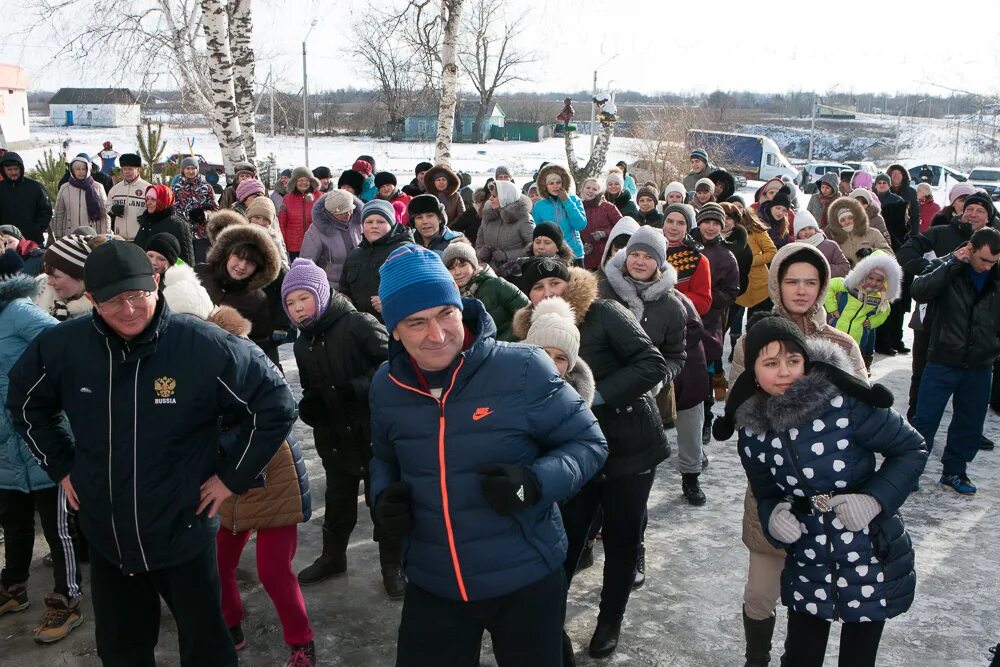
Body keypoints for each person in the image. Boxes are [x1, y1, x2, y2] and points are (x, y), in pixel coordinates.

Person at [6, 240, 296, 666]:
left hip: (183, 528)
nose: (127, 310)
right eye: (111, 301)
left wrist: (232, 476)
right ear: (90, 298)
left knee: (207, 647)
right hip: (106, 533)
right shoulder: (65, 347)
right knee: (121, 650)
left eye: (137, 295)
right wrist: (63, 466)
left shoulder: (202, 345)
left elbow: (274, 405)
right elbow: (26, 406)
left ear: (156, 284)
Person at [368, 245, 608, 666]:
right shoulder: (387, 387)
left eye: (446, 313)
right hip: (433, 577)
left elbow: (589, 444)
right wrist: (383, 497)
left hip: (526, 575)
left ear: (461, 307)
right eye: (416, 322)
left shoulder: (523, 368)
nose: (438, 334)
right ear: (394, 330)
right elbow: (384, 457)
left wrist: (533, 484)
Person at [715, 315, 925, 667]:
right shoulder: (752, 433)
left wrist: (873, 500)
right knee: (800, 657)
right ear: (753, 371)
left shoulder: (845, 404)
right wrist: (775, 516)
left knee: (857, 660)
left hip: (868, 552)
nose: (784, 371)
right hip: (809, 559)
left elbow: (911, 448)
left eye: (793, 360)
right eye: (771, 363)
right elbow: (766, 492)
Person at [509, 255, 666, 659]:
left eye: (554, 285)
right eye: (538, 289)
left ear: (568, 283)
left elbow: (652, 364)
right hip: (572, 455)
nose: (548, 294)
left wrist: (591, 396)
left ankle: (610, 618)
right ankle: (548, 619)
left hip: (628, 445)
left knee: (622, 536)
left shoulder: (605, 313)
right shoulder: (529, 332)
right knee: (566, 537)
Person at [728, 242, 866, 666]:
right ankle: (757, 657)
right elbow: (742, 412)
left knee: (817, 601)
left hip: (828, 496)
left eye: (811, 281)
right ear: (777, 284)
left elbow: (862, 415)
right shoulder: (752, 341)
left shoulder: (841, 344)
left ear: (823, 285)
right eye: (792, 281)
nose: (801, 290)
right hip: (773, 491)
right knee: (761, 594)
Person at [0, 271, 83, 644]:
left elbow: (67, 344)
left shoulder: (16, 311)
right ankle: (13, 587)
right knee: (14, 523)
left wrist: (49, 399)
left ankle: (67, 598)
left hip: (37, 438)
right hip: (4, 449)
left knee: (58, 528)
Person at [910, 227, 1000, 495]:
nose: (987, 267)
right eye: (983, 260)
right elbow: (919, 290)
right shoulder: (945, 265)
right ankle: (910, 470)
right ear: (970, 249)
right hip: (942, 359)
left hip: (980, 364)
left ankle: (955, 471)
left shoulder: (996, 275)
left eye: (994, 262)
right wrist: (951, 264)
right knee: (924, 420)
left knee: (970, 422)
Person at [896, 190, 998, 426]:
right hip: (931, 319)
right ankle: (915, 422)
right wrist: (929, 269)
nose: (973, 214)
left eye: (980, 211)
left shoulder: (995, 244)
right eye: (969, 208)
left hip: (971, 331)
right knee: (922, 374)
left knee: (969, 394)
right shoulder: (942, 232)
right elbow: (907, 251)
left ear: (988, 218)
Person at [826, 251, 903, 371]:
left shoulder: (881, 297)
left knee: (852, 364)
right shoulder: (851, 285)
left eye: (879, 280)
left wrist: (872, 322)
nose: (873, 283)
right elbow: (830, 285)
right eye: (870, 278)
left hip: (859, 335)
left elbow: (884, 312)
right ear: (863, 274)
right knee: (832, 361)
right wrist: (832, 308)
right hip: (837, 328)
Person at [341, 199, 414, 320]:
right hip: (361, 327)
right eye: (369, 222)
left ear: (391, 224)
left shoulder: (405, 252)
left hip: (397, 325)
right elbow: (345, 290)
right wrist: (344, 301)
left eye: (381, 221)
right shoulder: (354, 255)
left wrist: (392, 304)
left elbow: (418, 292)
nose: (374, 226)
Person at [443, 242, 528, 342]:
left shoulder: (496, 285)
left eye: (462, 265)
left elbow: (528, 313)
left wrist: (502, 343)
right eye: (451, 268)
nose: (457, 272)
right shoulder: (450, 297)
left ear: (473, 265)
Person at [728, 204, 779, 346]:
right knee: (730, 322)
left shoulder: (755, 229)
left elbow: (772, 252)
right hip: (735, 286)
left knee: (757, 327)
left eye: (739, 207)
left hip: (759, 287)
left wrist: (752, 260)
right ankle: (734, 350)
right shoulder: (725, 231)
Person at [300, 189, 362, 290]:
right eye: (343, 212)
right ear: (331, 212)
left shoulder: (358, 223)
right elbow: (306, 264)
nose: (349, 214)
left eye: (350, 209)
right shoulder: (316, 231)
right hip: (331, 288)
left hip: (358, 285)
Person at [663, 203, 712, 316]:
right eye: (669, 221)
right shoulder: (648, 250)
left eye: (681, 223)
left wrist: (671, 297)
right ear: (663, 223)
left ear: (688, 228)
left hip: (677, 323)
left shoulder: (698, 260)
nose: (674, 227)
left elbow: (704, 302)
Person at [476, 180, 535, 270]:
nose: (490, 199)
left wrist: (507, 255)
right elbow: (478, 245)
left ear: (506, 197)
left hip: (515, 273)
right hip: (491, 273)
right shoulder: (487, 218)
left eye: (494, 196)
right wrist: (480, 253)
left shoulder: (524, 218)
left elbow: (534, 247)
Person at [533, 164, 587, 262]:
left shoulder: (574, 200)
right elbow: (538, 233)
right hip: (551, 254)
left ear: (563, 183)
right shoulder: (539, 206)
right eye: (551, 183)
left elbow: (580, 225)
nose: (555, 186)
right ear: (545, 186)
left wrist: (566, 201)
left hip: (575, 253)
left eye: (558, 182)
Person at [133, 184, 196, 266]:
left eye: (153, 199)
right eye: (147, 199)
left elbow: (187, 260)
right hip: (145, 273)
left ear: (163, 200)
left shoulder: (178, 225)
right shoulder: (146, 221)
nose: (149, 203)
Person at [172, 157, 219, 261]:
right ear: (183, 170)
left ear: (197, 169)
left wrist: (204, 214)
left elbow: (215, 208)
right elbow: (173, 208)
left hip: (202, 233)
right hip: (183, 232)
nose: (190, 171)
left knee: (201, 264)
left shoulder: (206, 187)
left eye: (193, 168)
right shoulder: (176, 187)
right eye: (187, 168)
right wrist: (187, 215)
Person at [52, 155, 109, 238]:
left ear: (88, 170)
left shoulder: (97, 187)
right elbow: (59, 213)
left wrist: (105, 236)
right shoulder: (65, 188)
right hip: (70, 236)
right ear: (72, 171)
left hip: (93, 236)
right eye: (78, 169)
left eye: (84, 169)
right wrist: (58, 236)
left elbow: (105, 213)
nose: (81, 172)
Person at [0, 153, 51, 246]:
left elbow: (46, 211)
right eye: (9, 169)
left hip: (33, 241)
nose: (13, 172)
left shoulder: (35, 187)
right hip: (6, 242)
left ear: (21, 168)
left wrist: (37, 230)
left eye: (16, 169)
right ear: (3, 170)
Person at [825, 197, 892, 267]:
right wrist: (843, 265)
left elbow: (890, 254)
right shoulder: (834, 241)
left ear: (857, 217)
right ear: (838, 223)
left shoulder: (873, 233)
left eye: (850, 217)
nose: (847, 222)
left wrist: (872, 251)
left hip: (872, 275)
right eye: (842, 220)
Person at [580, 177, 623, 269]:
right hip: (588, 259)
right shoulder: (578, 208)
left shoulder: (608, 207)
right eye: (588, 188)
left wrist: (604, 233)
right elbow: (575, 231)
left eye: (594, 189)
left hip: (607, 257)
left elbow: (623, 227)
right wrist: (583, 245)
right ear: (583, 189)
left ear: (600, 192)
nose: (590, 191)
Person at [792, 210, 850, 278]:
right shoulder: (793, 250)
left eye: (810, 228)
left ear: (815, 229)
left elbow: (845, 268)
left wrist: (823, 269)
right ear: (797, 233)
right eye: (803, 229)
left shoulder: (831, 245)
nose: (807, 232)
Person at [277, 167, 319, 261]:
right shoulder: (287, 199)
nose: (303, 183)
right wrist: (282, 241)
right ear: (294, 182)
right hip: (294, 245)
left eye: (306, 180)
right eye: (300, 180)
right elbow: (282, 222)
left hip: (315, 244)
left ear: (311, 181)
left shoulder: (320, 197)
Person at [106, 153, 149, 239]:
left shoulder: (147, 188)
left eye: (130, 169)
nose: (127, 172)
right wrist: (112, 209)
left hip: (140, 237)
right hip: (119, 237)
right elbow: (107, 206)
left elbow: (156, 209)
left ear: (138, 169)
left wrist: (148, 217)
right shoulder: (115, 189)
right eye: (124, 169)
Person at [245, 194, 290, 269]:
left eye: (265, 219)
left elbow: (283, 264)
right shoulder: (241, 235)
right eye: (257, 217)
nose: (260, 222)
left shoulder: (275, 237)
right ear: (249, 217)